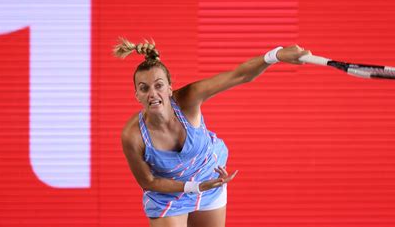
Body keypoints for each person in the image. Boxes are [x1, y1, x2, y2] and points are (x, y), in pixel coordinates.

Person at [114, 38, 310, 227]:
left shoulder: (190, 98)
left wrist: (275, 55)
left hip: (208, 176)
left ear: (170, 88)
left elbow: (239, 75)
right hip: (167, 193)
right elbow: (148, 182)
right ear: (136, 95)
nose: (152, 94)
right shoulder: (133, 136)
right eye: (144, 88)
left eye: (159, 85)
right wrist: (194, 187)